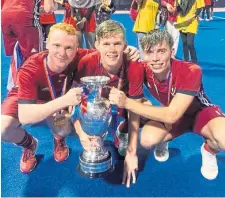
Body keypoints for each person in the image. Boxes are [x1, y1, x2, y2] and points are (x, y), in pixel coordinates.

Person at [1, 22, 140, 174]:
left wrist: (129, 51)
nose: (62, 52)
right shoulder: (30, 69)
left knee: (62, 127)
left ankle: (59, 139)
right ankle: (29, 144)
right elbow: (26, 116)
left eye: (69, 48)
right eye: (56, 45)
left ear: (76, 49)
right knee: (3, 129)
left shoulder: (80, 56)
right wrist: (64, 101)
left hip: (58, 105)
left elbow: (106, 51)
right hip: (29, 98)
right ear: (47, 44)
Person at [109, 29, 225, 187]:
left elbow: (172, 115)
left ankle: (209, 150)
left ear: (172, 51)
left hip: (201, 113)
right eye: (149, 52)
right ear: (143, 54)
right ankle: (163, 140)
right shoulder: (142, 68)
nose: (155, 58)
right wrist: (126, 53)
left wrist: (128, 102)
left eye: (161, 51)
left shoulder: (190, 70)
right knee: (148, 140)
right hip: (174, 115)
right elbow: (111, 61)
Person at [72, 20, 144, 156]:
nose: (112, 50)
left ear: (125, 45)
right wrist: (81, 133)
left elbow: (136, 109)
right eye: (106, 44)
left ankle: (122, 132)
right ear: (97, 45)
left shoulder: (135, 66)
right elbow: (76, 100)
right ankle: (95, 132)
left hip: (123, 106)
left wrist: (131, 151)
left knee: (145, 105)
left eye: (117, 44)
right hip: (97, 106)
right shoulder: (87, 62)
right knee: (67, 120)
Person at [1, 0, 56, 90]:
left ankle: (14, 85)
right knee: (35, 55)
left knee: (16, 51)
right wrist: (54, 6)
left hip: (5, 14)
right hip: (24, 16)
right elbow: (48, 9)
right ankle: (33, 86)